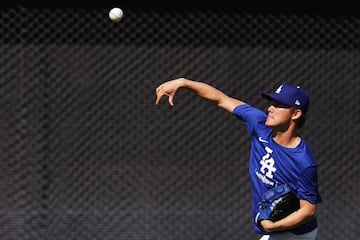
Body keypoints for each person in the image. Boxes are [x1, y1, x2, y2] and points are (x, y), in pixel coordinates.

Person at [155, 78, 322, 240]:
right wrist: (184, 83)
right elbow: (221, 100)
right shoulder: (259, 125)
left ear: (296, 113)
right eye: (272, 103)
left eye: (279, 105)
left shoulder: (303, 162)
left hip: (295, 234)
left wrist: (273, 227)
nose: (270, 108)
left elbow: (308, 211)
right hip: (276, 231)